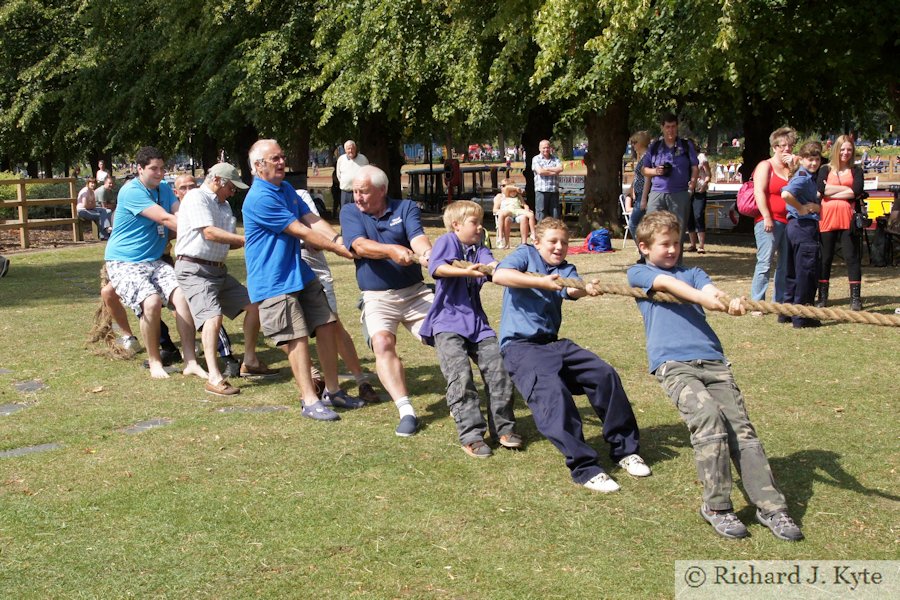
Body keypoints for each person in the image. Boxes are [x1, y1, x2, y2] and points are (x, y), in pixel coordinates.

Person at [628, 211, 803, 541]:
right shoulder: (639, 272)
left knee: (741, 429)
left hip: (713, 361)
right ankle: (717, 507)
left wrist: (727, 302)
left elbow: (711, 290)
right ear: (645, 247)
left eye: (677, 243)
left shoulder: (693, 271)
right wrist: (708, 301)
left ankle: (772, 507)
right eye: (664, 244)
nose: (672, 249)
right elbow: (672, 287)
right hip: (673, 364)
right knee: (708, 418)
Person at [492, 217, 650, 493]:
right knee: (553, 394)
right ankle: (585, 467)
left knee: (604, 375)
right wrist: (542, 282)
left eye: (564, 242)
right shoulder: (525, 255)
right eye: (553, 241)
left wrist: (585, 290)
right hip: (520, 347)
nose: (559, 247)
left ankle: (625, 450)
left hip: (553, 344)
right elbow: (500, 275)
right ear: (537, 242)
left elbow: (570, 289)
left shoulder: (565, 268)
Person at [243, 139, 359, 420]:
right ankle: (309, 400)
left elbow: (310, 218)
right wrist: (343, 250)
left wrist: (341, 238)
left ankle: (333, 390)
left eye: (282, 157)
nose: (282, 162)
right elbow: (301, 232)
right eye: (275, 159)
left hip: (298, 271)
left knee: (328, 324)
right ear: (259, 166)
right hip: (274, 279)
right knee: (296, 338)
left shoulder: (284, 189)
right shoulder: (260, 196)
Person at [419, 201, 519, 458]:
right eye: (474, 222)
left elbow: (493, 266)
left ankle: (504, 428)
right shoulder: (447, 241)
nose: (479, 227)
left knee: (499, 371)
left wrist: (501, 270)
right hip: (447, 323)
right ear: (457, 225)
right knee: (461, 377)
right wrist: (461, 271)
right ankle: (472, 435)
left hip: (477, 324)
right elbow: (436, 267)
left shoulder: (479, 249)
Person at [340, 165, 434, 437]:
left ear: (382, 190)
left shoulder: (405, 208)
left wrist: (426, 253)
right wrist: (391, 250)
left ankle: (460, 396)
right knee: (382, 342)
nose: (357, 197)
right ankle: (406, 411)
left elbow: (417, 238)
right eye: (355, 191)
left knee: (446, 336)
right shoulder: (350, 212)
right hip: (377, 297)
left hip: (415, 292)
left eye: (363, 192)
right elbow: (359, 246)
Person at [174, 163, 277, 396]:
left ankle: (250, 361)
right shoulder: (196, 198)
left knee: (256, 305)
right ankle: (214, 377)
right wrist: (245, 240)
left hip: (218, 270)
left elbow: (226, 241)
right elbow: (209, 232)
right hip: (194, 269)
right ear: (218, 180)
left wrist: (259, 239)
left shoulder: (225, 205)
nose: (234, 191)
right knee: (213, 317)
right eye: (231, 186)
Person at [103, 146, 206, 380]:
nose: (159, 173)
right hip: (124, 261)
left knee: (183, 297)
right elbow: (166, 218)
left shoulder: (164, 190)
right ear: (139, 169)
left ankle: (190, 360)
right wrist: (204, 231)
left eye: (162, 168)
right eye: (153, 169)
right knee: (151, 303)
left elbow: (181, 213)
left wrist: (194, 221)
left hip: (153, 260)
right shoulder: (131, 191)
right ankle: (154, 362)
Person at [295, 187, 381, 404]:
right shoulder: (261, 197)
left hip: (314, 269)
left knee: (332, 325)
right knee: (293, 330)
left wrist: (335, 240)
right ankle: (313, 377)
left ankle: (361, 380)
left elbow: (314, 229)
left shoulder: (299, 195)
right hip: (286, 271)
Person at [816, 135, 865, 310]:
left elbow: (857, 191)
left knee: (852, 257)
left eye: (849, 149)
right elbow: (821, 189)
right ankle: (822, 296)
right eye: (842, 149)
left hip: (848, 218)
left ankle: (855, 298)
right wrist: (846, 190)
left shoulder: (856, 171)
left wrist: (831, 192)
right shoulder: (825, 169)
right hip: (826, 218)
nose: (845, 152)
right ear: (836, 149)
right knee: (825, 258)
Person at [750, 126, 796, 309]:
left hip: (789, 221)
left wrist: (794, 167)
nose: (786, 149)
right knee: (764, 262)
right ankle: (758, 303)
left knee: (784, 264)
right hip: (769, 221)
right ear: (774, 147)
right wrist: (766, 216)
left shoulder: (792, 167)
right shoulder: (765, 165)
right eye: (782, 145)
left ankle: (779, 302)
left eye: (790, 145)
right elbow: (759, 192)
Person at [642, 113, 699, 260]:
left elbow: (695, 166)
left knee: (678, 231)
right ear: (662, 128)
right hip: (657, 192)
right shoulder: (654, 147)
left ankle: (676, 265)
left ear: (677, 127)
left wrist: (692, 183)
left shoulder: (686, 145)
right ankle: (651, 263)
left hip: (679, 193)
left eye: (673, 127)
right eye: (667, 127)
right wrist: (656, 171)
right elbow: (644, 169)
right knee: (651, 228)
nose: (670, 130)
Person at [781, 141, 823, 328]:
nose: (813, 163)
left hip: (793, 227)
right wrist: (802, 208)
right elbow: (786, 194)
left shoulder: (804, 175)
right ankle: (802, 316)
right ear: (802, 159)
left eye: (816, 159)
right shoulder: (804, 177)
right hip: (803, 227)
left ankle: (786, 312)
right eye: (809, 159)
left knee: (792, 271)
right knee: (806, 272)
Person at [492, 179, 536, 248]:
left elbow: (524, 204)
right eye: (501, 185)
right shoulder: (500, 196)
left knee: (525, 217)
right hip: (507, 214)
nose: (501, 187)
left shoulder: (517, 195)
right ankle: (503, 240)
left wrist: (527, 209)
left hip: (517, 212)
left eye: (503, 185)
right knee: (506, 218)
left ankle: (525, 241)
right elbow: (495, 209)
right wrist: (500, 211)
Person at [626, 131, 652, 241]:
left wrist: (644, 198)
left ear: (641, 143)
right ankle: (644, 254)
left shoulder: (646, 157)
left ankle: (644, 252)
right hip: (639, 194)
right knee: (641, 224)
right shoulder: (641, 157)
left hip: (643, 194)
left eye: (634, 142)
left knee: (633, 224)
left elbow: (647, 179)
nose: (632, 145)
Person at [531, 140, 564, 221]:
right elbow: (540, 172)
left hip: (554, 190)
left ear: (550, 148)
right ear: (539, 148)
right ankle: (540, 232)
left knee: (555, 213)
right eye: (544, 148)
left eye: (547, 147)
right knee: (541, 213)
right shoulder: (536, 159)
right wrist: (554, 172)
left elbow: (560, 168)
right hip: (541, 190)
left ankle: (555, 232)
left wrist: (547, 169)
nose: (546, 149)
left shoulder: (555, 159)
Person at [686, 153, 711, 253]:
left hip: (699, 191)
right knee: (689, 216)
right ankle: (693, 244)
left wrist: (705, 184)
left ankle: (701, 245)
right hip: (687, 191)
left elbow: (708, 174)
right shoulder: (683, 157)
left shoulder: (701, 158)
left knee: (698, 215)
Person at [335, 140, 368, 208]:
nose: (350, 150)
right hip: (345, 192)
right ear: (345, 150)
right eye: (348, 149)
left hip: (360, 192)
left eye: (352, 148)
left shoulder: (363, 159)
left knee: (360, 212)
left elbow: (367, 173)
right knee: (345, 213)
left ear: (355, 148)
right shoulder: (341, 159)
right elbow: (338, 175)